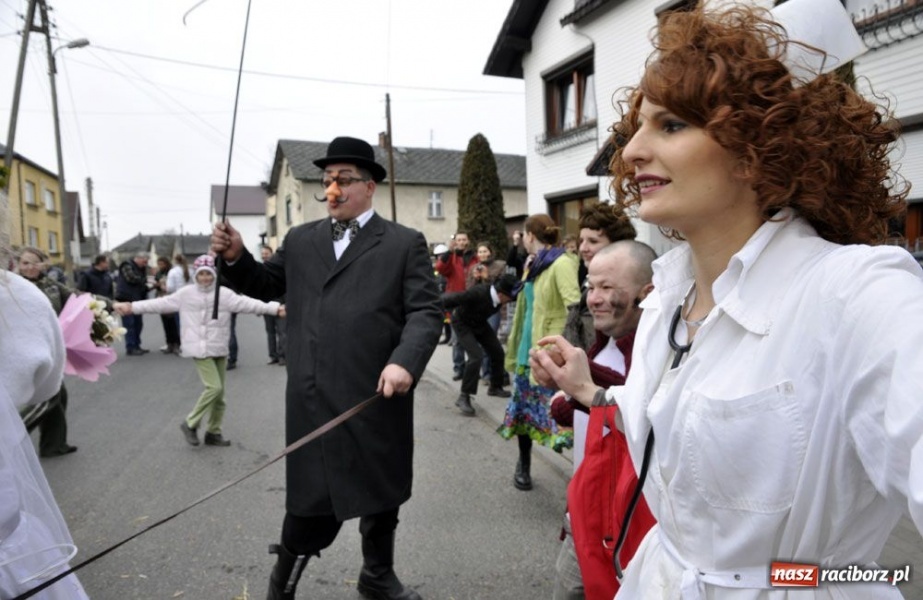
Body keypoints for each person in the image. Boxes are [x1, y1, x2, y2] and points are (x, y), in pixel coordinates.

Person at [531, 4, 923, 599]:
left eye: (670, 126)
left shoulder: (858, 294)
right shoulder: (666, 299)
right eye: (638, 125)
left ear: (754, 149)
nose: (631, 150)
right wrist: (590, 392)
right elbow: (675, 429)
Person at [210, 136, 442, 600]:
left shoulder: (403, 243)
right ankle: (282, 584)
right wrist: (236, 256)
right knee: (309, 501)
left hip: (377, 393)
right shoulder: (300, 239)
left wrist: (404, 363)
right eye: (327, 179)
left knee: (383, 491)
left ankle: (377, 576)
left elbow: (425, 312)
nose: (332, 188)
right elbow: (266, 284)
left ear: (370, 186)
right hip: (313, 395)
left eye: (344, 180)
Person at [550, 241, 658, 600]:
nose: (593, 299)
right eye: (590, 287)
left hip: (630, 529)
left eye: (607, 288)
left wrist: (580, 385)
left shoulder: (656, 353)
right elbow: (583, 408)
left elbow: (645, 413)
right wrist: (566, 392)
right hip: (585, 514)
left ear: (648, 293)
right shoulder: (604, 339)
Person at [114, 255, 283, 447]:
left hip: (219, 346)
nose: (205, 278)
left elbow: (249, 303)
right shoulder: (185, 294)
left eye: (209, 274)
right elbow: (158, 304)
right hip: (198, 347)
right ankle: (190, 423)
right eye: (201, 274)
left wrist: (275, 309)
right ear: (196, 275)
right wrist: (131, 307)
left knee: (219, 398)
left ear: (214, 274)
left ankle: (213, 432)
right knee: (214, 388)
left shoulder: (224, 294)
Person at [0, 267, 89, 599]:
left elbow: (73, 299)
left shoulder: (45, 287)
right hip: (8, 541)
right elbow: (43, 384)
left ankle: (56, 442)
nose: (29, 265)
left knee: (56, 407)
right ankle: (54, 442)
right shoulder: (17, 294)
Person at [499, 214, 580, 491]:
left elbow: (575, 308)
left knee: (565, 420)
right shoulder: (532, 265)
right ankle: (523, 464)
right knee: (523, 414)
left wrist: (563, 350)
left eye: (523, 234)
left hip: (550, 355)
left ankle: (580, 479)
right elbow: (524, 310)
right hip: (527, 350)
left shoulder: (561, 263)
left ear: (530, 236)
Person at [17, 247, 79, 458]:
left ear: (44, 264)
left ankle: (53, 445)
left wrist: (109, 304)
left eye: (34, 262)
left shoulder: (50, 284)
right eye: (25, 263)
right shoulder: (13, 286)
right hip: (26, 349)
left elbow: (76, 299)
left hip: (49, 347)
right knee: (49, 397)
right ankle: (9, 441)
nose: (29, 267)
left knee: (58, 395)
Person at [564, 203, 638, 352]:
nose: (583, 248)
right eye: (581, 241)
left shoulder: (630, 286)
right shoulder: (586, 277)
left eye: (593, 241)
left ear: (617, 244)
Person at [442, 273, 519, 416]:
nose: (511, 301)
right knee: (476, 356)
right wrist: (432, 309)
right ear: (502, 294)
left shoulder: (499, 297)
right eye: (510, 298)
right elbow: (450, 298)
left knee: (497, 351)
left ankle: (495, 387)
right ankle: (464, 397)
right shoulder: (477, 293)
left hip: (479, 323)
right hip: (462, 323)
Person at [435, 231, 478, 381]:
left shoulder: (474, 257)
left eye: (464, 239)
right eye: (458, 239)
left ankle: (473, 367)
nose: (461, 242)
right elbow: (440, 268)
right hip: (455, 302)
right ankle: (458, 368)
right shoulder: (451, 257)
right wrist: (449, 252)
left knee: (474, 337)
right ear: (456, 242)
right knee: (457, 338)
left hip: (472, 301)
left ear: (468, 241)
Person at [467, 241, 507, 382]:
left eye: (485, 251)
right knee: (481, 341)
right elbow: (469, 290)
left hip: (493, 308)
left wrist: (486, 278)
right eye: (480, 252)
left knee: (490, 340)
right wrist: (475, 279)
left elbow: (501, 288)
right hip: (477, 309)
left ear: (490, 252)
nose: (483, 254)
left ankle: (496, 372)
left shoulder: (499, 266)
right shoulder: (473, 268)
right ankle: (487, 373)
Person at [115, 251, 152, 356]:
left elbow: (141, 283)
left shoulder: (141, 268)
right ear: (138, 258)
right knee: (129, 324)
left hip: (137, 299)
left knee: (138, 324)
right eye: (144, 261)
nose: (145, 264)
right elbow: (131, 278)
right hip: (126, 299)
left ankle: (137, 345)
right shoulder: (126, 265)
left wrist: (147, 286)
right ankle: (131, 347)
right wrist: (145, 281)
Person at [260, 244, 287, 366]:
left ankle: (283, 356)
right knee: (270, 332)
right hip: (267, 306)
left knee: (282, 331)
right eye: (263, 253)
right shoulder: (260, 269)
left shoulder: (280, 268)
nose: (264, 255)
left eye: (267, 253)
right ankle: (273, 356)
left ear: (272, 255)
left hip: (280, 304)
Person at [154, 256, 182, 354]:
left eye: (162, 264)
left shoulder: (172, 272)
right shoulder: (158, 274)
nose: (160, 266)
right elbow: (157, 285)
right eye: (159, 264)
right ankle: (169, 343)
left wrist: (163, 286)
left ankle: (177, 344)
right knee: (166, 324)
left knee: (174, 323)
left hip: (172, 299)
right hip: (162, 299)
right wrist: (157, 285)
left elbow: (172, 287)